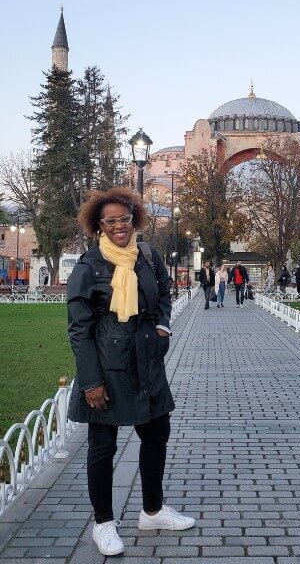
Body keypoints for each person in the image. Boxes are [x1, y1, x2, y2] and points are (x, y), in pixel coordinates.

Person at [66, 188, 194, 557]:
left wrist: (163, 327)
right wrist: (91, 381)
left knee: (157, 432)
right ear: (98, 226)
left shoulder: (148, 256)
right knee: (103, 446)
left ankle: (152, 511)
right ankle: (104, 524)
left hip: (146, 359)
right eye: (111, 221)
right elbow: (79, 329)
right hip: (107, 363)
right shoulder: (89, 267)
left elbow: (165, 294)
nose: (119, 226)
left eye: (124, 218)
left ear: (133, 218)